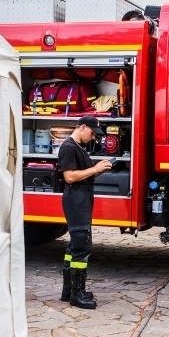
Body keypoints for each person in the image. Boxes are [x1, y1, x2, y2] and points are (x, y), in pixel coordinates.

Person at [57, 116, 113, 309]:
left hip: (81, 198)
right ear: (82, 127)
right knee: (82, 247)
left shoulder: (78, 148)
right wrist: (94, 168)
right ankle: (77, 294)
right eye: (92, 133)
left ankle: (68, 290)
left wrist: (99, 170)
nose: (94, 138)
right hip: (76, 199)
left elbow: (82, 174)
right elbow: (70, 177)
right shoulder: (69, 147)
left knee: (74, 245)